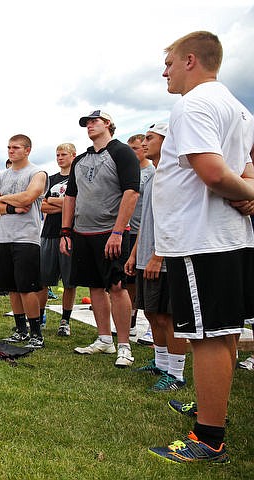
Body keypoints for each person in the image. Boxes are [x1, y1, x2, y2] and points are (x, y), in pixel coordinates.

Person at [148, 31, 254, 464]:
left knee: (206, 336)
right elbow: (246, 166)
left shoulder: (192, 105)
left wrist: (248, 190)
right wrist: (248, 187)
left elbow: (211, 172)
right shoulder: (238, 108)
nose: (165, 70)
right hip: (225, 235)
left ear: (191, 60)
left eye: (170, 62)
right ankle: (211, 408)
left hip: (200, 236)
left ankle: (209, 437)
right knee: (222, 331)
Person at [60, 110, 140, 368]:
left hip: (111, 231)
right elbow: (70, 197)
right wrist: (65, 231)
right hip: (83, 232)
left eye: (94, 121)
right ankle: (104, 338)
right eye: (86, 123)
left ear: (108, 124)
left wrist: (118, 231)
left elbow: (131, 192)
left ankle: (125, 345)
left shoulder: (121, 152)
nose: (89, 126)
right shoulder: (80, 159)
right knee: (94, 286)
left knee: (116, 286)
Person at [124, 122, 189, 392]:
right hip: (145, 254)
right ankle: (161, 363)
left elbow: (177, 219)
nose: (145, 142)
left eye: (151, 138)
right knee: (150, 312)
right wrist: (135, 253)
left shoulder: (175, 173)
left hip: (165, 256)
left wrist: (159, 256)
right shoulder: (153, 175)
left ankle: (176, 373)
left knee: (167, 316)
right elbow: (147, 221)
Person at [0, 134, 48, 349]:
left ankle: (36, 333)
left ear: (27, 150)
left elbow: (29, 197)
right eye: (9, 147)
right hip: (4, 237)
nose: (11, 151)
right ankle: (20, 330)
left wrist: (2, 199)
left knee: (27, 288)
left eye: (16, 148)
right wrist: (11, 207)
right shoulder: (1, 176)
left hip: (26, 238)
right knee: (12, 287)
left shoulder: (37, 173)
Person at [38, 143, 77, 336]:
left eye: (63, 154)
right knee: (43, 279)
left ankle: (65, 320)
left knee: (69, 281)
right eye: (57, 155)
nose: (60, 158)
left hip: (70, 234)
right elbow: (42, 206)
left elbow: (78, 205)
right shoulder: (51, 179)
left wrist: (58, 203)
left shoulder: (77, 179)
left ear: (73, 155)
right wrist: (64, 204)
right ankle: (40, 316)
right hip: (49, 233)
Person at [125, 133, 155, 338]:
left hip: (144, 231)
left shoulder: (152, 172)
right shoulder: (129, 170)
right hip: (128, 230)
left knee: (146, 280)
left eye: (135, 148)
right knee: (127, 280)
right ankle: (131, 321)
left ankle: (153, 328)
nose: (132, 152)